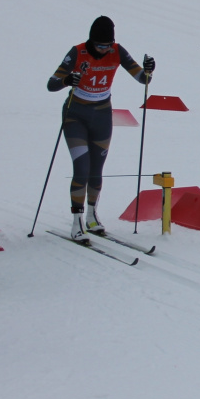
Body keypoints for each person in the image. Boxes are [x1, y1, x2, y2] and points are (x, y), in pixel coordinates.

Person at [47, 16, 154, 240]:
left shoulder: (117, 50)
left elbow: (141, 78)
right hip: (75, 115)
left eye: (107, 45)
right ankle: (76, 221)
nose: (104, 50)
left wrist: (148, 70)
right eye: (99, 45)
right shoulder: (77, 52)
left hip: (103, 115)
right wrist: (68, 80)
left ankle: (92, 216)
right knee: (82, 168)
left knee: (96, 169)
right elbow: (52, 84)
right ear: (91, 41)